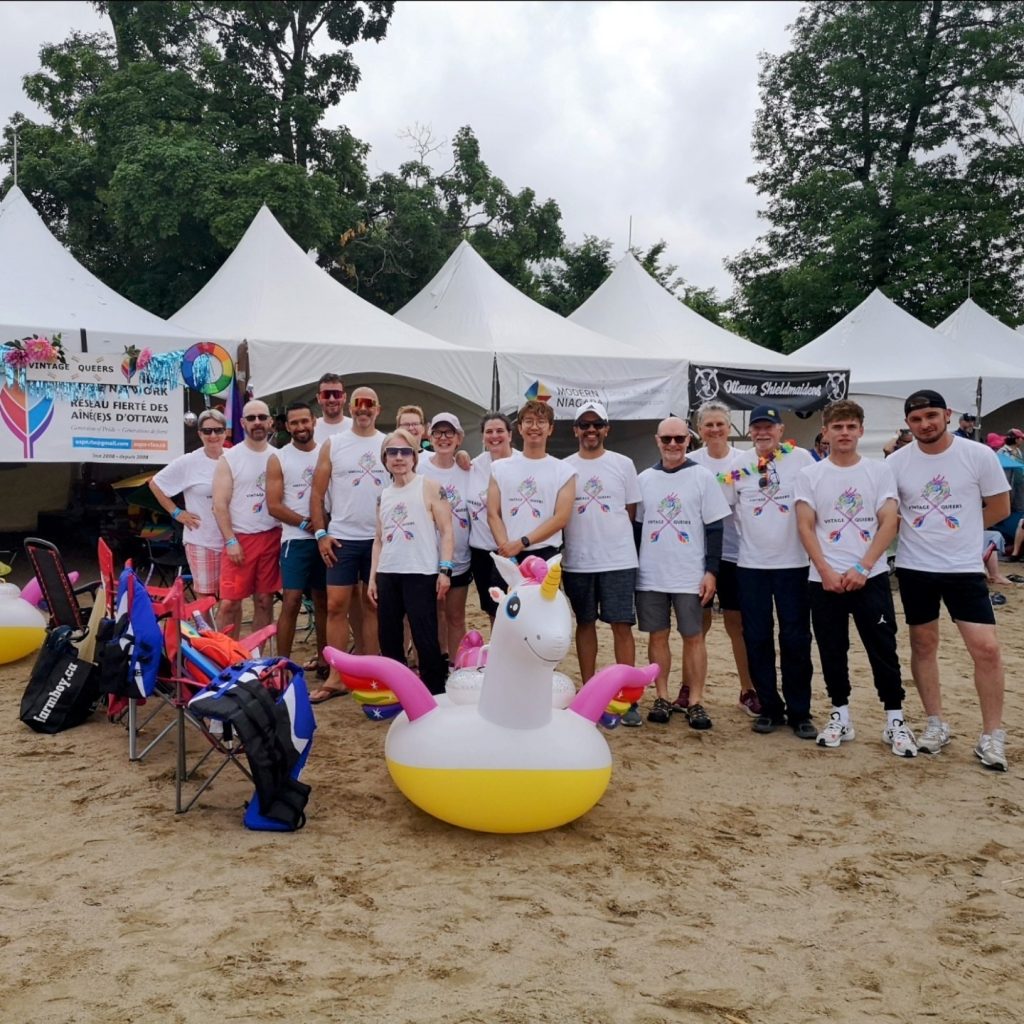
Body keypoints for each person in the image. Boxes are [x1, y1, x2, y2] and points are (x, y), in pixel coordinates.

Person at [889, 389, 1010, 771]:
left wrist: (964, 535)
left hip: (962, 568)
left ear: (947, 415)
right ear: (908, 424)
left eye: (931, 416)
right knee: (923, 644)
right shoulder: (896, 462)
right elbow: (891, 514)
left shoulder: (978, 455)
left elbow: (1000, 507)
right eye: (916, 419)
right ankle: (935, 723)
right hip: (915, 567)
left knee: (985, 648)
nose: (925, 424)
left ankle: (992, 734)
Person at [794, 400, 917, 757]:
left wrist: (863, 567)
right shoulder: (811, 475)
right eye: (837, 427)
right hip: (825, 580)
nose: (844, 433)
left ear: (861, 430)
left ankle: (895, 718)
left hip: (871, 577)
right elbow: (805, 525)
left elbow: (889, 521)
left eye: (850, 427)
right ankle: (840, 714)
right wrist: (826, 570)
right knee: (832, 649)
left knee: (883, 649)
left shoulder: (878, 471)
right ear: (825, 431)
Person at [635, 416, 730, 728]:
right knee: (657, 636)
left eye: (679, 438)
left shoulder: (702, 477)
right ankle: (661, 696)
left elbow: (715, 529)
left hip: (689, 574)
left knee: (693, 637)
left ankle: (696, 701)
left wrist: (711, 572)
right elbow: (637, 530)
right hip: (651, 573)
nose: (673, 445)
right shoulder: (644, 479)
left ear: (689, 440)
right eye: (667, 439)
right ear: (657, 440)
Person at [733, 404, 817, 738]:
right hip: (751, 565)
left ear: (781, 430)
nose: (763, 432)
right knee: (756, 638)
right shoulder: (739, 465)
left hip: (794, 564)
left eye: (769, 426)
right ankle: (770, 707)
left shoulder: (802, 460)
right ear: (750, 431)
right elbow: (725, 507)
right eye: (757, 427)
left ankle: (800, 712)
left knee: (795, 638)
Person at [561, 402, 642, 725]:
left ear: (607, 429)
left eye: (597, 424)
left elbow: (631, 511)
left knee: (621, 626)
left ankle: (627, 697)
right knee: (585, 623)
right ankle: (589, 692)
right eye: (584, 424)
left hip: (618, 559)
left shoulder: (623, 464)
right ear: (575, 430)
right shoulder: (565, 467)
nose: (590, 430)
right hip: (578, 560)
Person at [309, 387, 388, 701]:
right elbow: (316, 495)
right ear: (350, 407)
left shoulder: (389, 443)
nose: (364, 409)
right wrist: (320, 534)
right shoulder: (334, 444)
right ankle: (336, 676)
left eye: (370, 404)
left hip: (379, 540)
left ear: (378, 410)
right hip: (342, 538)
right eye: (358, 404)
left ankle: (371, 673)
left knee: (373, 607)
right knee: (336, 607)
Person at [686, 401, 760, 717]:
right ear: (699, 430)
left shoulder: (746, 460)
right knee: (696, 626)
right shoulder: (690, 462)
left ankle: (747, 689)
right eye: (708, 425)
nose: (714, 430)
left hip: (736, 553)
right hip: (698, 555)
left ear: (730, 428)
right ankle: (688, 688)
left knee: (736, 624)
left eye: (720, 424)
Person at [368, 430, 454, 696]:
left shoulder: (429, 486)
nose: (398, 457)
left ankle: (435, 693)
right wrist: (373, 577)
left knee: (425, 636)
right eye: (392, 452)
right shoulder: (384, 495)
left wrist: (445, 570)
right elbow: (379, 540)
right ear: (384, 458)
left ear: (415, 456)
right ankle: (399, 691)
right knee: (390, 638)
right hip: (388, 573)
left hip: (420, 572)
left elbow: (447, 530)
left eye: (405, 452)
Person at [211, 399, 282, 639]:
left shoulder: (280, 457)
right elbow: (219, 504)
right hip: (240, 538)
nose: (257, 422)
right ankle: (223, 661)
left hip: (272, 537)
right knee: (229, 603)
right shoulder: (229, 458)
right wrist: (230, 540)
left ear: (270, 422)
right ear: (243, 423)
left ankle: (257, 662)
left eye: (262, 417)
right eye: (251, 418)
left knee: (264, 601)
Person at [266, 401, 326, 673]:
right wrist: (305, 523)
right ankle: (283, 664)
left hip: (326, 537)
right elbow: (274, 505)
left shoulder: (327, 452)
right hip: (296, 540)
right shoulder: (279, 458)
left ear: (313, 421)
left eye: (305, 421)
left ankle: (326, 659)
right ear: (287, 426)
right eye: (295, 423)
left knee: (324, 598)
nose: (301, 427)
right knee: (291, 601)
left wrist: (324, 526)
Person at [148, 408, 227, 610]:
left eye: (218, 430)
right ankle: (207, 640)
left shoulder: (234, 458)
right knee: (205, 600)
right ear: (199, 433)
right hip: (202, 540)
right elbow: (155, 484)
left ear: (225, 432)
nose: (213, 436)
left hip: (232, 540)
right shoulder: (189, 462)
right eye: (207, 431)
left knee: (230, 600)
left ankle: (226, 640)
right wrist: (176, 513)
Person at [487, 399, 576, 564]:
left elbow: (561, 518)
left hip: (545, 556)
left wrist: (522, 543)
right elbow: (493, 513)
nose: (534, 427)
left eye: (541, 422)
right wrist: (507, 550)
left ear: (550, 429)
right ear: (520, 428)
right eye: (528, 421)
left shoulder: (564, 471)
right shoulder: (499, 468)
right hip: (507, 554)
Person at [418, 412, 473, 662]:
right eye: (438, 432)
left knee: (454, 616)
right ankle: (434, 664)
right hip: (424, 557)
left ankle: (456, 665)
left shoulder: (467, 469)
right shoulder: (418, 465)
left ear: (459, 438)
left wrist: (463, 458)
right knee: (429, 616)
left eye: (449, 432)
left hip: (458, 557)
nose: (443, 438)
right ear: (429, 436)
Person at [466, 412, 519, 622]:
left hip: (513, 550)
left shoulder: (522, 462)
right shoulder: (473, 465)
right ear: (482, 437)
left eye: (500, 431)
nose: (494, 436)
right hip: (481, 550)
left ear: (510, 435)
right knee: (492, 609)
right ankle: (500, 650)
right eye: (489, 431)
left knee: (517, 609)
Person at [313, 374, 347, 442]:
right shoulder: (310, 429)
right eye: (326, 394)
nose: (332, 399)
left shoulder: (357, 427)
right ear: (318, 398)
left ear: (344, 397)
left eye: (337, 394)